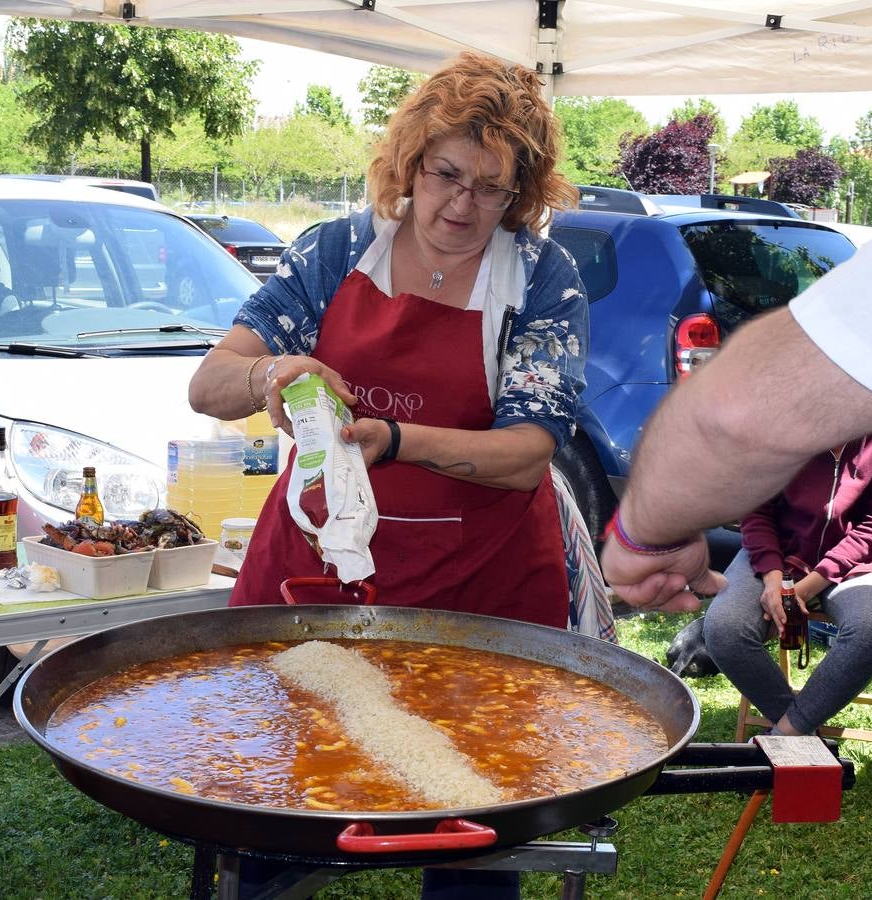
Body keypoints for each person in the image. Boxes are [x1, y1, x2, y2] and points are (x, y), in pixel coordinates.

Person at [189, 51, 585, 899]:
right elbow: (207, 384)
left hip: (480, 589)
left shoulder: (539, 278)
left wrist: (397, 439)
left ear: (520, 192)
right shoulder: (337, 251)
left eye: (490, 186)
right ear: (411, 163)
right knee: (276, 803)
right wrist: (269, 376)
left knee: (473, 829)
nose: (461, 204)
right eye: (445, 174)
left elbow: (526, 456)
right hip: (314, 578)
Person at [598, 221, 872, 612]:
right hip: (778, 556)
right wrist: (774, 574)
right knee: (727, 632)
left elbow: (733, 418)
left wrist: (641, 534)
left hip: (853, 568)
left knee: (869, 626)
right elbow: (757, 501)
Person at [703, 425, 872, 737]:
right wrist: (773, 577)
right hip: (780, 549)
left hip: (864, 559)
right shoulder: (780, 413)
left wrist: (803, 589)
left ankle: (787, 735)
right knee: (724, 629)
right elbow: (756, 508)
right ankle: (803, 734)